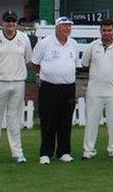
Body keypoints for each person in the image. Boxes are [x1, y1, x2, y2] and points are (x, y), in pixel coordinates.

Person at [0, 10, 32, 164]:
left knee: (15, 119)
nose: (10, 24)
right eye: (7, 21)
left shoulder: (24, 39)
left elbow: (28, 59)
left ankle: (17, 153)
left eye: (13, 21)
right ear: (2, 23)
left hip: (18, 83)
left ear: (16, 23)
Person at [31, 16, 79, 165]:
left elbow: (74, 65)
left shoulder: (73, 44)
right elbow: (34, 63)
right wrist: (47, 74)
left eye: (69, 26)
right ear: (57, 28)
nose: (67, 29)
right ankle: (46, 153)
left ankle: (64, 152)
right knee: (48, 121)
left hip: (68, 87)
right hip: (49, 87)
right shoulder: (45, 43)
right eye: (64, 26)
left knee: (65, 121)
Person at [81, 19, 113, 160]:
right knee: (91, 121)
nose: (107, 33)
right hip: (94, 90)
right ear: (100, 31)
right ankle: (88, 150)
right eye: (104, 30)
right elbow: (84, 63)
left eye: (109, 30)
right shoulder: (92, 46)